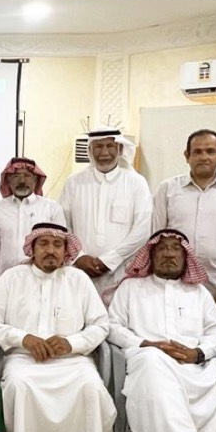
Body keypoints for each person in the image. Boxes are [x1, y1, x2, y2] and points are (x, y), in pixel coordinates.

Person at [107, 229, 216, 432]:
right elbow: (112, 325)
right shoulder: (131, 288)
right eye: (162, 249)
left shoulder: (199, 293)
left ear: (186, 257)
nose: (169, 254)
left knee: (164, 388)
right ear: (150, 255)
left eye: (176, 249)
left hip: (192, 370)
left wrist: (197, 353)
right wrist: (144, 343)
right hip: (147, 362)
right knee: (154, 368)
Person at [0, 223, 114, 432]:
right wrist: (24, 339)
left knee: (90, 386)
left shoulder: (79, 280)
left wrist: (71, 343)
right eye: (43, 244)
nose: (50, 250)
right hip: (23, 359)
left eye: (57, 245)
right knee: (19, 385)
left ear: (66, 250)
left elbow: (101, 325)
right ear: (32, 249)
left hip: (72, 360)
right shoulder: (12, 278)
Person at [151, 129, 216, 315]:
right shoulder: (167, 189)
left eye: (210, 151)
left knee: (212, 333)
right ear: (187, 156)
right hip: (171, 284)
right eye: (197, 151)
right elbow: (155, 238)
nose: (204, 157)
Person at [59, 129, 152, 303]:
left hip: (121, 273)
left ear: (120, 149)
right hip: (80, 271)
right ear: (90, 150)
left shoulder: (136, 183)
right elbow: (62, 224)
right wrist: (79, 256)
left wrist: (109, 260)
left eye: (110, 146)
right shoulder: (74, 182)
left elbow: (143, 229)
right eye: (98, 146)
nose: (104, 152)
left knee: (119, 317)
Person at [0, 157, 65, 289]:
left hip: (43, 282)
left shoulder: (52, 209)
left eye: (27, 176)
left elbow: (60, 249)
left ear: (35, 179)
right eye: (16, 176)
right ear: (8, 180)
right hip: (6, 283)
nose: (22, 181)